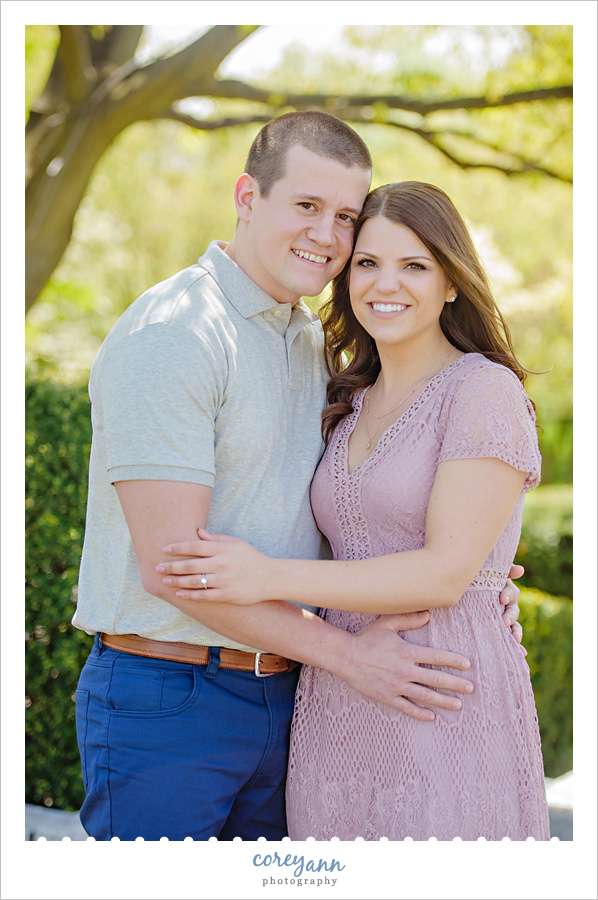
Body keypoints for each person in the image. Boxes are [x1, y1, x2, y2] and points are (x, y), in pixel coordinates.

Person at [73, 113, 523, 841]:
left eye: (345, 217)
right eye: (307, 207)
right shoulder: (177, 331)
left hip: (291, 694)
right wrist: (348, 654)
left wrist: (476, 575)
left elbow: (380, 510)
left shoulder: (311, 342)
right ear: (248, 196)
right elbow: (173, 568)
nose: (327, 235)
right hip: (172, 695)